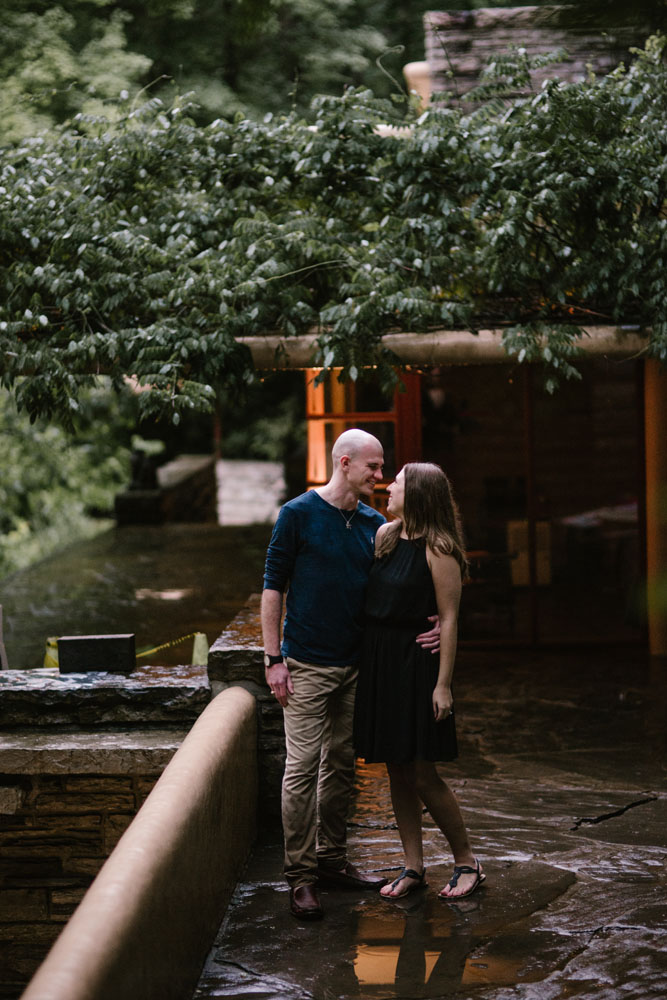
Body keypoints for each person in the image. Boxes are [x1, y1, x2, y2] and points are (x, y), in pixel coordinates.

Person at [261, 429, 440, 920]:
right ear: (344, 463)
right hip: (304, 665)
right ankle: (300, 877)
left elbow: (407, 578)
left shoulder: (375, 525)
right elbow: (273, 586)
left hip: (359, 666)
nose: (381, 477)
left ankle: (331, 862)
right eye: (374, 467)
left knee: (341, 766)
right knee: (301, 769)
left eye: (383, 469)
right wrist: (272, 659)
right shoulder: (297, 514)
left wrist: (443, 619)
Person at [354, 462, 486, 901]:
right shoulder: (385, 536)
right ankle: (413, 867)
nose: (389, 486)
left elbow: (448, 620)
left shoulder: (440, 548)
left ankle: (467, 862)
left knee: (422, 772)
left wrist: (443, 685)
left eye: (399, 482)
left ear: (420, 495)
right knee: (395, 767)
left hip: (417, 665)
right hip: (381, 662)